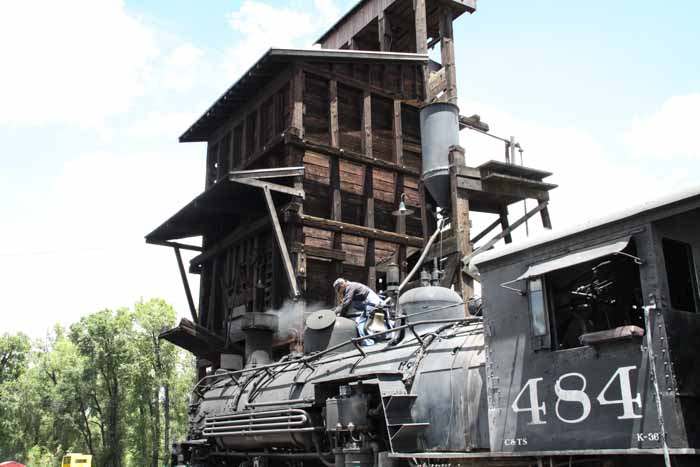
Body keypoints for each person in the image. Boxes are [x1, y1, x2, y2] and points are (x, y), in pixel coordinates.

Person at [333, 278, 383, 346]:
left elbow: (346, 303)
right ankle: (380, 342)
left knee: (361, 326)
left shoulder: (350, 287)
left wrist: (341, 315)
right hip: (378, 304)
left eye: (339, 289)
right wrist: (336, 311)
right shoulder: (353, 286)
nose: (339, 291)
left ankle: (369, 345)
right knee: (378, 326)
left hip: (372, 305)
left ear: (342, 284)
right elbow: (344, 303)